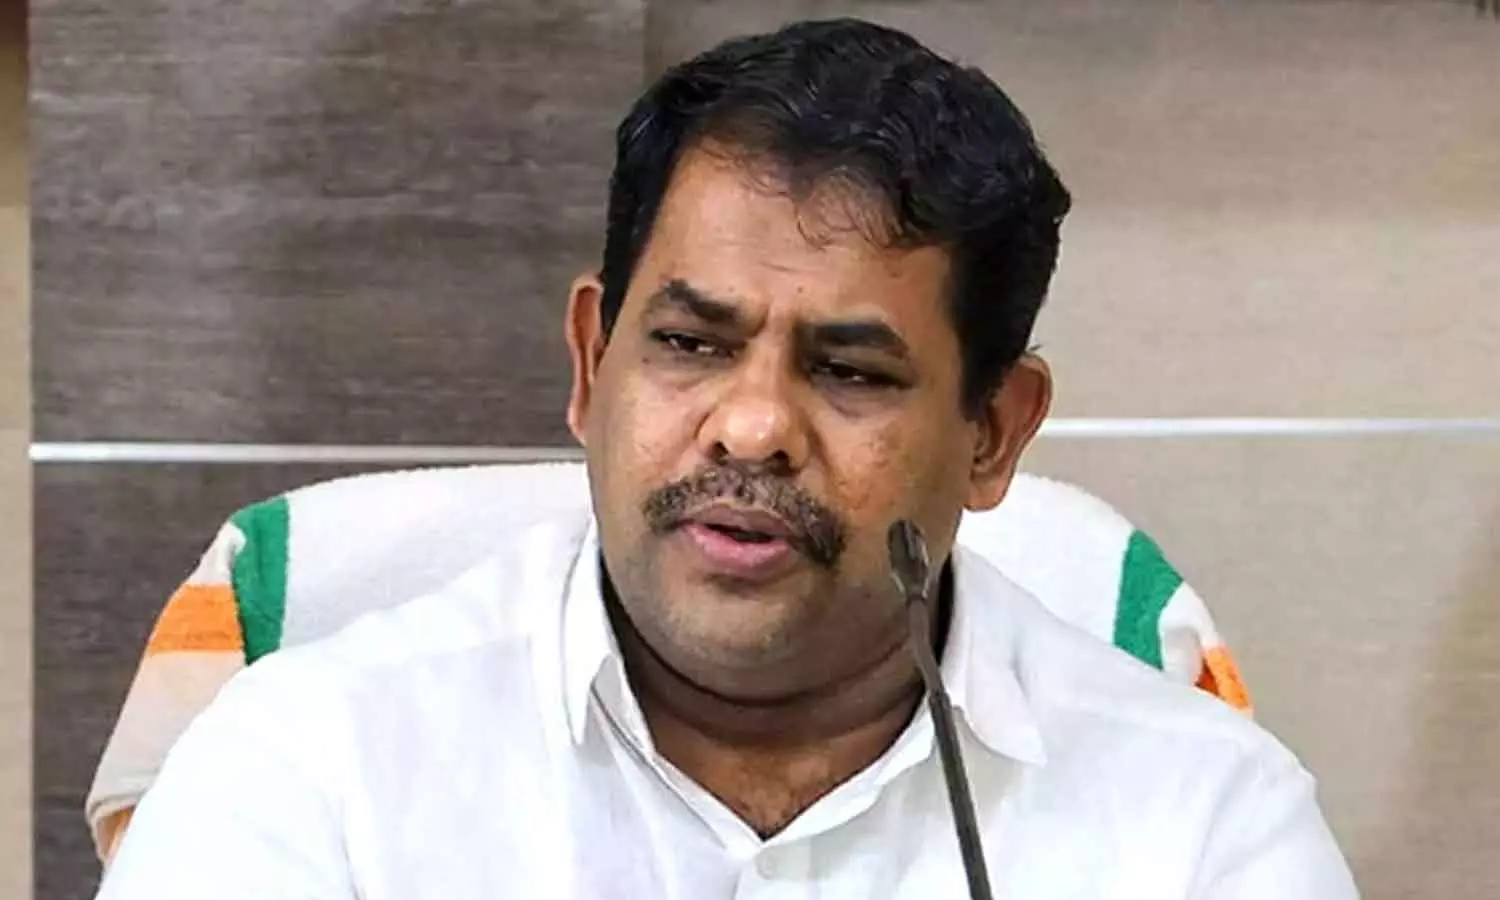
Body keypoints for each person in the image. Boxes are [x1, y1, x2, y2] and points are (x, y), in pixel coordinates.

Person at [97, 18, 1358, 899]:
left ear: (992, 432)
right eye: (692, 345)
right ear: (592, 363)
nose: (751, 429)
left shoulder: (1202, 825)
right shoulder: (313, 768)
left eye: (850, 371)